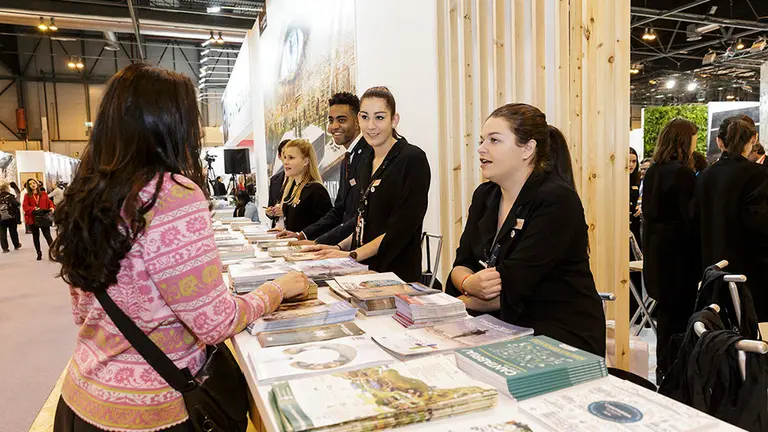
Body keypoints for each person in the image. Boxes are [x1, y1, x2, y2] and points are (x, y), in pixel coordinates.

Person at [49, 64, 309, 432]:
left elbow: (82, 313)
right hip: (152, 411)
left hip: (82, 398)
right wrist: (276, 290)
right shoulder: (170, 194)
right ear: (172, 124)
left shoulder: (90, 193)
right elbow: (215, 321)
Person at [442, 103, 604, 356]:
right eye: (483, 140)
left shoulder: (556, 201)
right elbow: (461, 264)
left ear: (527, 149)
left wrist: (445, 307)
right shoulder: (485, 196)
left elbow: (512, 288)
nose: (481, 148)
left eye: (494, 140)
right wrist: (468, 282)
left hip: (557, 336)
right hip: (499, 325)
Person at [312, 86, 431, 282]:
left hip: (395, 274)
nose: (371, 126)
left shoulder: (412, 159)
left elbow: (401, 228)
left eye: (380, 117)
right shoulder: (366, 161)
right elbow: (363, 221)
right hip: (362, 271)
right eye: (365, 117)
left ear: (394, 120)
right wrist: (339, 247)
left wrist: (351, 255)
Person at [642, 118, 700, 382]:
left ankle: (663, 370)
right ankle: (676, 374)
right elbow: (690, 217)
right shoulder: (683, 173)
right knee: (679, 317)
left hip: (657, 252)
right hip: (678, 256)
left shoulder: (654, 170)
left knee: (665, 316)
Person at [694, 117, 768, 321]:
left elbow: (695, 219)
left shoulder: (705, 176)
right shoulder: (758, 175)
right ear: (753, 139)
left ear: (719, 141)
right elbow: (758, 222)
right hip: (750, 269)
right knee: (752, 332)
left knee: (719, 331)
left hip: (712, 267)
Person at [277, 92, 372, 244]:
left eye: (341, 120)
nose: (334, 127)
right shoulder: (347, 160)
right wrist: (302, 235)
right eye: (331, 120)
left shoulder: (370, 156)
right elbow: (339, 211)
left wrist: (318, 242)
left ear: (357, 121)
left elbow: (362, 217)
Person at [279, 139, 332, 233]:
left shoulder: (316, 190)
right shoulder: (291, 187)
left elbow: (326, 227)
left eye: (291, 158)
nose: (285, 162)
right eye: (285, 157)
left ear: (306, 161)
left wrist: (301, 235)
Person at [22, 178, 54, 261]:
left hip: (43, 217)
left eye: (34, 183)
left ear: (37, 184)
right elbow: (25, 206)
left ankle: (54, 252)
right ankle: (39, 253)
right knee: (36, 237)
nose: (33, 184)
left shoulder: (43, 193)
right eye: (30, 184)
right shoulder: (27, 195)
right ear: (28, 186)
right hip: (33, 218)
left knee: (47, 236)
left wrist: (51, 207)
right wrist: (33, 209)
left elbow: (49, 202)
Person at [266, 139, 289, 228]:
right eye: (285, 155)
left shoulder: (304, 181)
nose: (287, 160)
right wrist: (270, 212)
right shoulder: (274, 180)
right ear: (279, 156)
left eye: (292, 156)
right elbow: (271, 205)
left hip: (295, 233)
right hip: (277, 230)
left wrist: (286, 212)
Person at [0, 182, 21, 252]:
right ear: (7, 189)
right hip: (11, 217)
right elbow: (17, 204)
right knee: (13, 231)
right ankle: (16, 245)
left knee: (2, 233)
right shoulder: (10, 196)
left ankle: (5, 248)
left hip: (1, 218)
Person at [629, 148, 641, 247]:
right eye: (629, 161)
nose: (631, 165)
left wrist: (641, 208)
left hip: (634, 224)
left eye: (634, 161)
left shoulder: (637, 180)